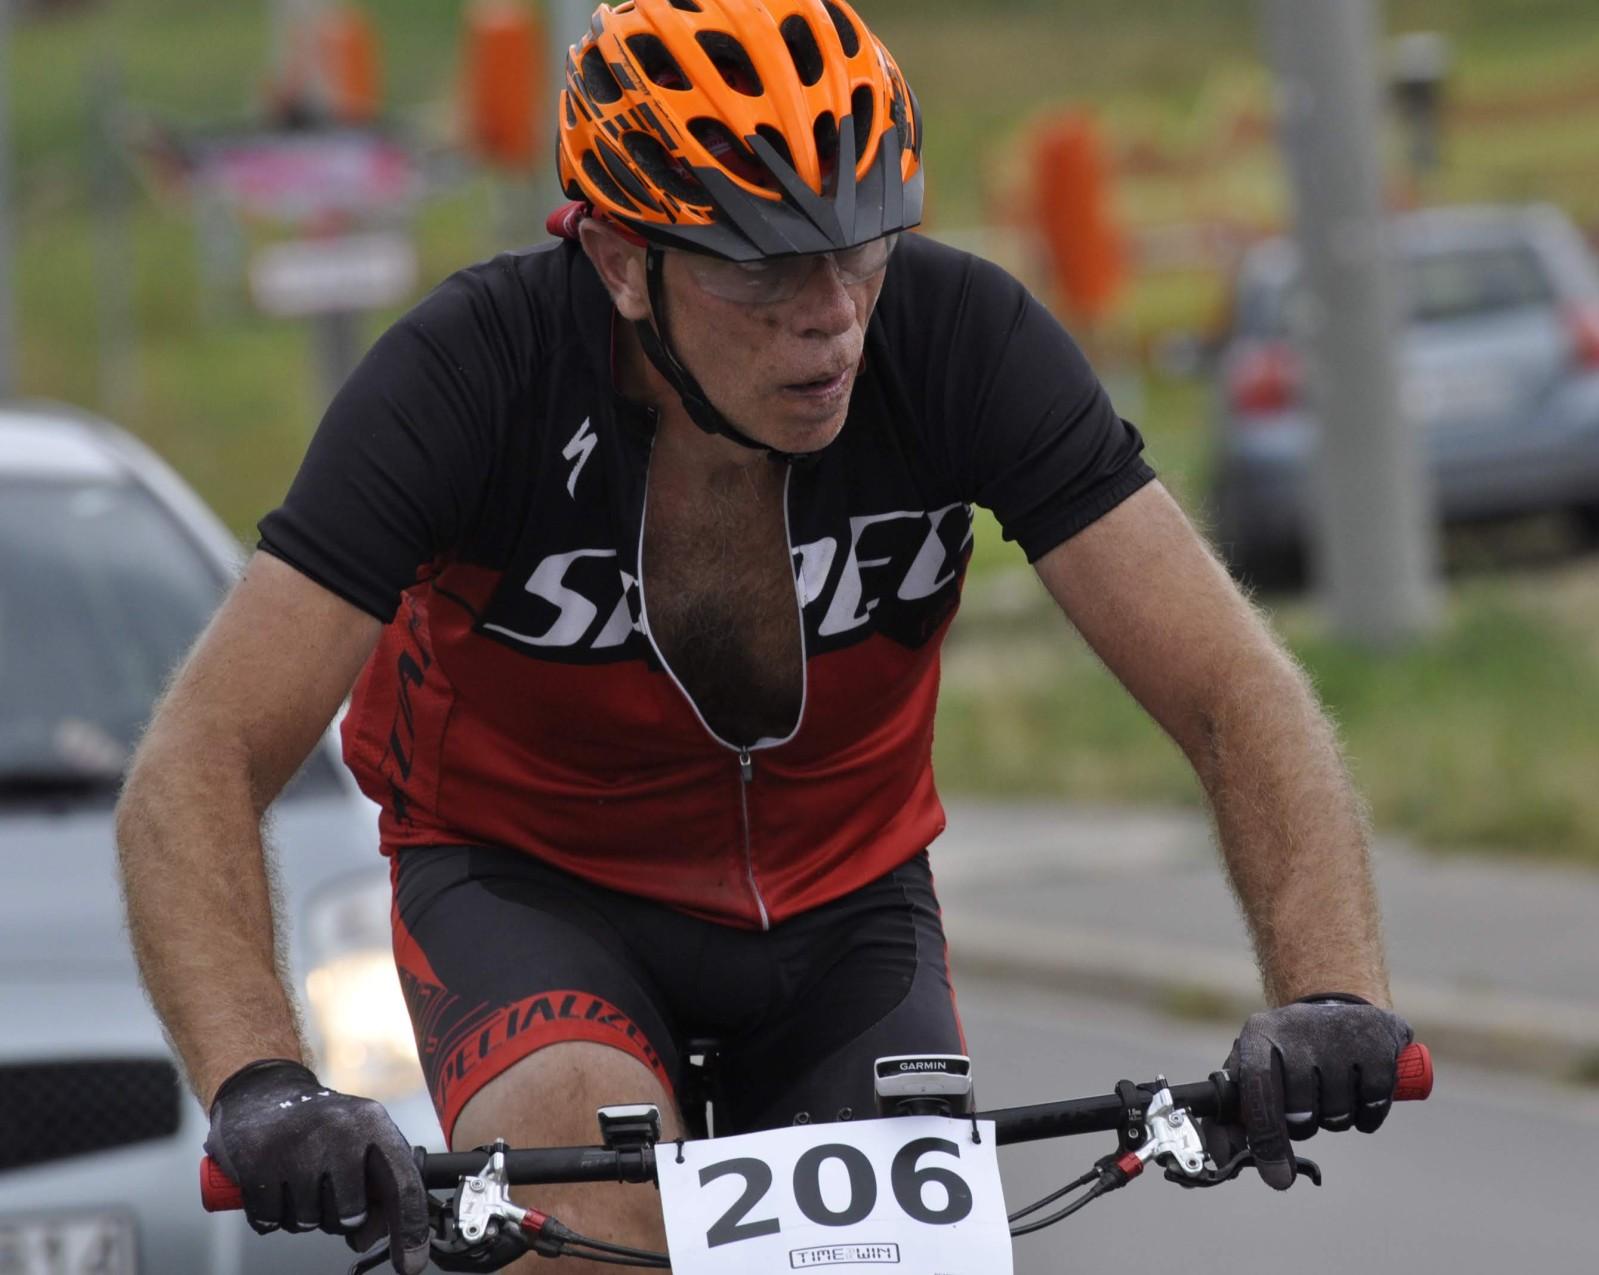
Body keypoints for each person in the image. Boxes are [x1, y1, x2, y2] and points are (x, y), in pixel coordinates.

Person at [115, 1, 1414, 1270]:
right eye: (760, 265)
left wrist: (1330, 992)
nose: (832, 312)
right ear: (620, 261)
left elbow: (1230, 687)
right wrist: (264, 1083)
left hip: (846, 897)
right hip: (529, 884)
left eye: (863, 246)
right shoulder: (470, 378)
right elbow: (201, 760)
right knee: (589, 1197)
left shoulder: (960, 341)